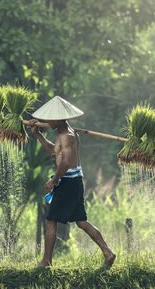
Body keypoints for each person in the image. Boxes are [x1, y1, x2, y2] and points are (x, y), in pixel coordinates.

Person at [28, 97, 116, 267]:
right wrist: (37, 133)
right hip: (75, 181)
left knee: (50, 220)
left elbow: (66, 163)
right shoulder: (68, 134)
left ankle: (46, 261)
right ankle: (108, 252)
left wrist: (53, 181)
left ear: (56, 118)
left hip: (68, 182)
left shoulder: (66, 136)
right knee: (81, 222)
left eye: (49, 118)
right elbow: (54, 151)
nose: (47, 121)